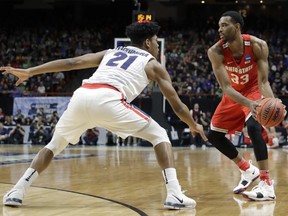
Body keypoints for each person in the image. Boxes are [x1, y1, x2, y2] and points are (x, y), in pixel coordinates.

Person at [1, 21, 207, 209]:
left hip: (82, 96)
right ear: (147, 42)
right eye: (155, 42)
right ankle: (174, 194)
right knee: (160, 135)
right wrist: (193, 124)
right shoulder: (153, 64)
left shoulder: (112, 52)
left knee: (54, 145)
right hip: (109, 99)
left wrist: (30, 72)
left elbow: (72, 63)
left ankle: (17, 191)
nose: (156, 46)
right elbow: (178, 106)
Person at [207, 11, 285, 201]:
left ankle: (266, 184)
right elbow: (225, 87)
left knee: (253, 127)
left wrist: (271, 121)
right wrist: (248, 104)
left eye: (225, 25)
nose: (220, 29)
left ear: (237, 26)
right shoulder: (215, 51)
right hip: (233, 93)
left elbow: (264, 82)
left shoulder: (258, 45)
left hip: (252, 90)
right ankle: (248, 170)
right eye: (219, 25)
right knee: (214, 135)